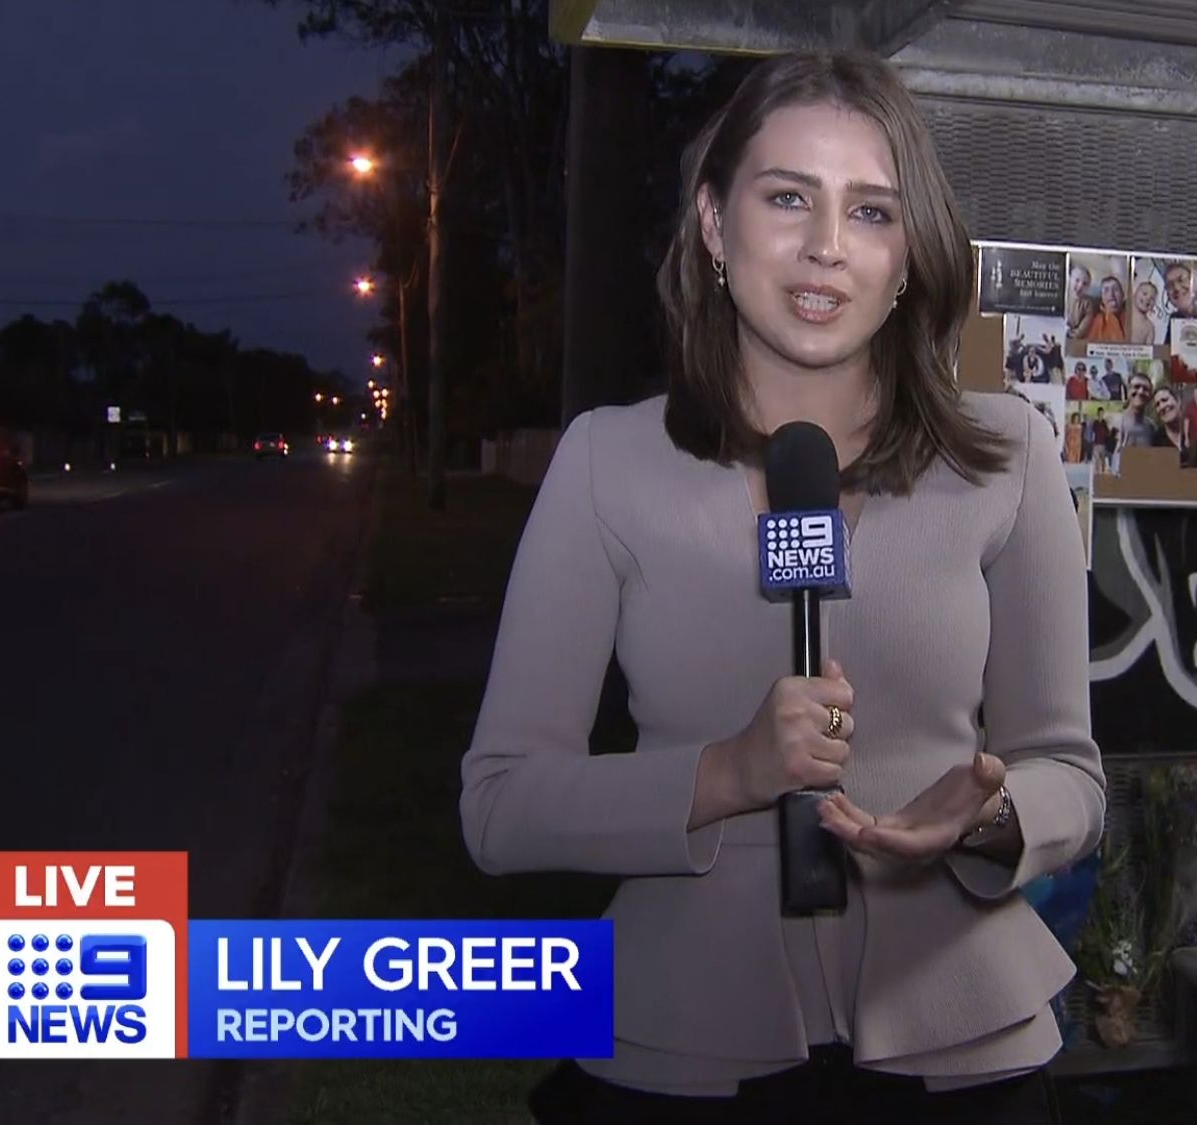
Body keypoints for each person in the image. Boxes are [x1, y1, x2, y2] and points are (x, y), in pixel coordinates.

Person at [460, 49, 1104, 1125]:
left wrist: (986, 820)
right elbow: (500, 806)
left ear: (908, 256)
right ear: (715, 225)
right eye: (789, 197)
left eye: (872, 211)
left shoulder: (1008, 455)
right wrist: (725, 773)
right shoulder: (605, 464)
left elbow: (1071, 777)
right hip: (684, 1047)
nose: (826, 246)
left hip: (960, 1045)